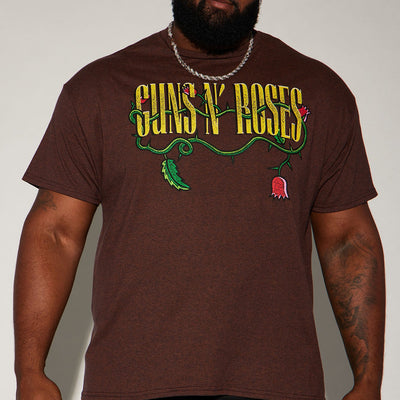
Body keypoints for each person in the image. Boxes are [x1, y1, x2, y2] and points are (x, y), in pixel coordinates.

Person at [14, 1, 385, 400]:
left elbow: (348, 241)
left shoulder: (318, 91)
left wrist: (368, 382)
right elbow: (55, 232)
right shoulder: (99, 89)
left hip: (277, 384)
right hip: (132, 385)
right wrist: (30, 371)